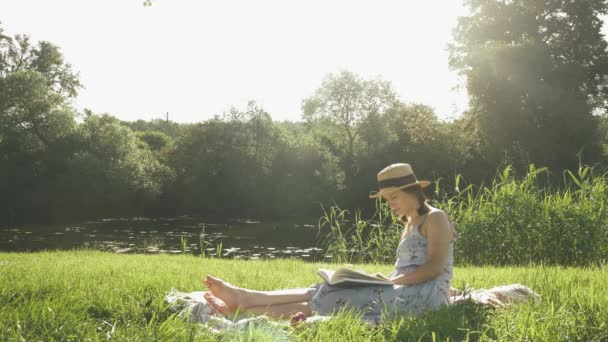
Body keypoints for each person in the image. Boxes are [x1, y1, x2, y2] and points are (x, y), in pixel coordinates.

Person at [203, 163, 458, 321]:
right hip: (404, 286)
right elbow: (408, 267)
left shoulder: (435, 218)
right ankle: (247, 297)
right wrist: (385, 279)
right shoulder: (411, 221)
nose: (390, 204)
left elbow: (434, 268)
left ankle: (246, 307)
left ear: (413, 191)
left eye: (394, 197)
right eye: (387, 199)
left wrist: (392, 281)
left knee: (339, 297)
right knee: (326, 288)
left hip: (426, 295)